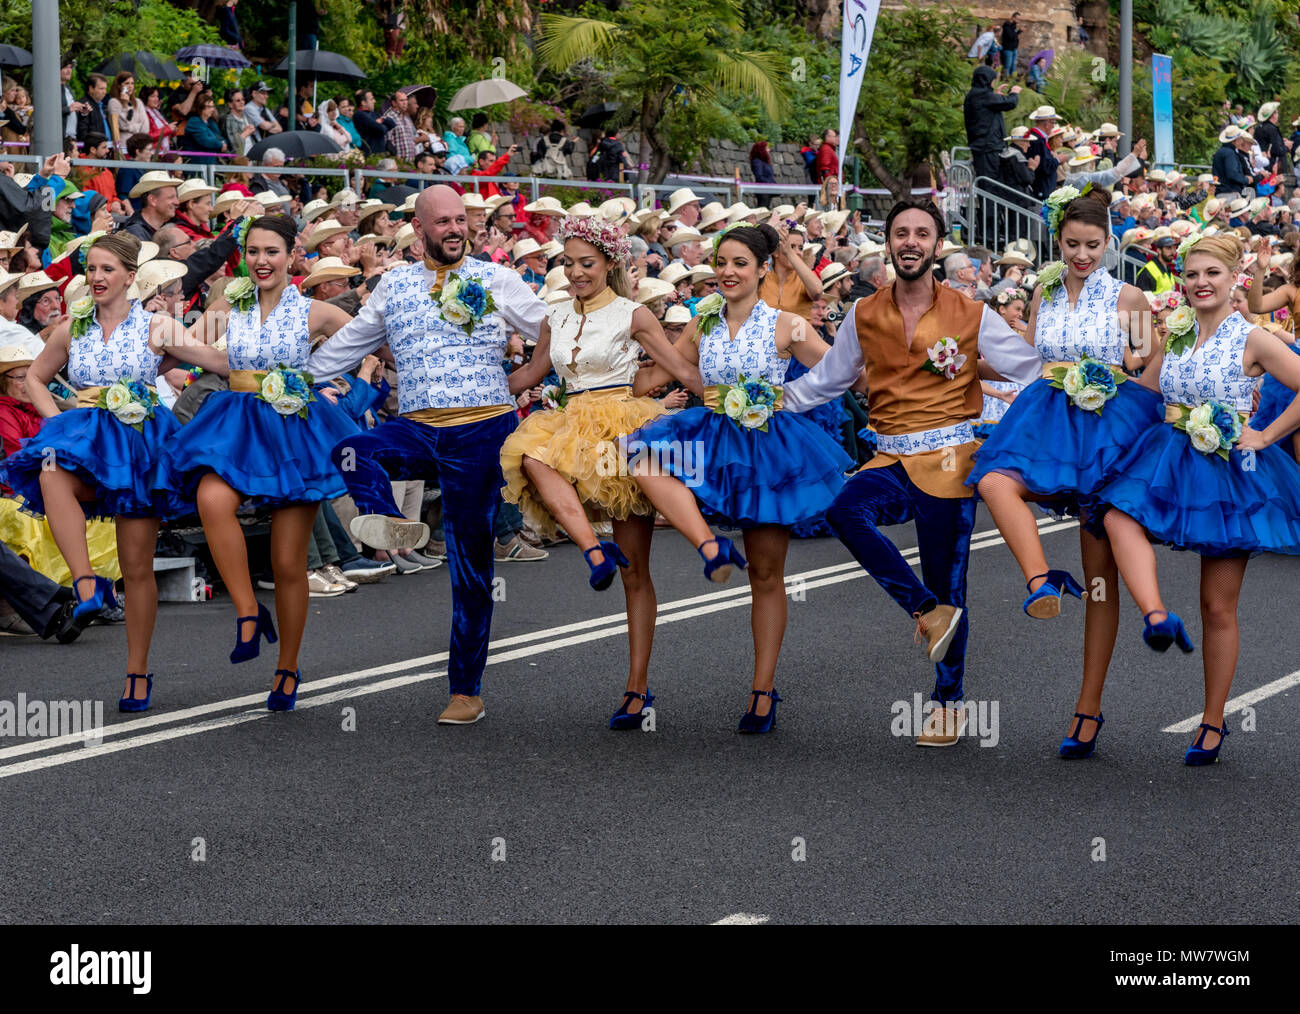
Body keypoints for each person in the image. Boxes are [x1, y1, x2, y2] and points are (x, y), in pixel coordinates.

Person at [778, 198, 1041, 746]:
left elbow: (1029, 368)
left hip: (951, 459)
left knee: (952, 579)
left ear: (938, 245)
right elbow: (829, 378)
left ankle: (949, 705)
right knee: (846, 512)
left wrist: (1086, 382)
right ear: (889, 243)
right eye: (901, 233)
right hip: (891, 456)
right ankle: (925, 610)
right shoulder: (863, 312)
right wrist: (774, 402)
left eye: (923, 233)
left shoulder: (972, 313)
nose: (911, 242)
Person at [306, 186, 547, 726]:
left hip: (483, 432)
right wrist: (292, 376)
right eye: (443, 222)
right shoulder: (392, 286)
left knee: (470, 567)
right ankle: (393, 525)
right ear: (419, 231)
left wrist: (534, 374)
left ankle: (466, 690)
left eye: (462, 220)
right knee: (352, 451)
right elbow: (348, 346)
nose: (455, 229)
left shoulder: (497, 278)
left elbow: (553, 330)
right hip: (417, 427)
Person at [624, 224, 850, 732]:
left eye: (739, 263)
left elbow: (839, 374)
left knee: (766, 574)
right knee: (642, 459)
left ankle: (763, 692)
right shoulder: (702, 324)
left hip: (767, 450)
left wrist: (789, 399)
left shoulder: (786, 325)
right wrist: (627, 363)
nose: (727, 272)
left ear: (763, 269)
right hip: (709, 436)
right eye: (721, 262)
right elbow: (656, 376)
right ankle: (709, 546)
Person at [1096, 233, 1300, 764]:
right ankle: (1158, 615)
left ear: (1235, 280)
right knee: (1118, 516)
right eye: (1191, 274)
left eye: (1211, 273)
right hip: (1170, 460)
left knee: (1217, 605)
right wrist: (1084, 393)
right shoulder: (1178, 333)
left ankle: (1212, 721)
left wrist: (1264, 435)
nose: (1200, 283)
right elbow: (1146, 389)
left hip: (1231, 476)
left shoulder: (1254, 337)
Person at [499, 215, 703, 725]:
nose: (575, 273)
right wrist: (465, 395)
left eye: (585, 263)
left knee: (638, 572)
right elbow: (530, 373)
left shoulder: (634, 314)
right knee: (531, 457)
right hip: (571, 427)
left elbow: (677, 370)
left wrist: (743, 402)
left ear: (609, 263)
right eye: (567, 263)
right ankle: (593, 552)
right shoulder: (554, 316)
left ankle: (637, 688)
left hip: (623, 429)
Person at [157, 215, 359, 712]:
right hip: (239, 422)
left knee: (289, 564)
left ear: (292, 255)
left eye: (271, 251)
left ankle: (287, 666)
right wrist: (153, 347)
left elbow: (367, 343)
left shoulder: (317, 312)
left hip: (293, 430)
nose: (261, 260)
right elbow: (199, 353)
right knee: (211, 498)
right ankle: (249, 613)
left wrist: (336, 381)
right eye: (252, 251)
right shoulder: (228, 306)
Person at [0, 233, 203, 711]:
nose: (96, 277)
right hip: (91, 446)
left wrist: (245, 355)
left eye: (107, 269)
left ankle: (137, 671)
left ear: (131, 277)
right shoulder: (74, 327)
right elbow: (33, 376)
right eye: (90, 269)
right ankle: (86, 584)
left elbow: (212, 360)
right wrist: (61, 426)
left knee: (137, 570)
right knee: (50, 470)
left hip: (138, 452)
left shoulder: (156, 324)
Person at [964, 65, 1021, 182]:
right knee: (989, 184)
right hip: (987, 148)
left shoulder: (976, 95)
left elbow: (993, 104)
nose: (993, 83)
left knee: (991, 182)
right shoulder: (982, 96)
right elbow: (1010, 103)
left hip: (987, 147)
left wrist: (996, 95)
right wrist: (1014, 93)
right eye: (992, 80)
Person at [185, 94, 229, 165]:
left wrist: (223, 143)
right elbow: (205, 141)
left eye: (213, 106)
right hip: (198, 164)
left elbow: (220, 138)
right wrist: (220, 145)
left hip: (211, 163)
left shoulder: (211, 122)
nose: (212, 109)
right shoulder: (194, 122)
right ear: (201, 107)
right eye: (209, 107)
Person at [1000, 13, 1021, 77]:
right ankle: (1006, 79)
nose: (1019, 20)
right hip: (1008, 48)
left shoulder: (1014, 25)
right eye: (1017, 19)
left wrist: (1019, 31)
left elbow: (1014, 35)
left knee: (1013, 65)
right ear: (1013, 18)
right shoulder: (1007, 25)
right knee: (1008, 65)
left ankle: (1012, 80)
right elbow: (1011, 36)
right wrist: (1018, 31)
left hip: (1014, 48)